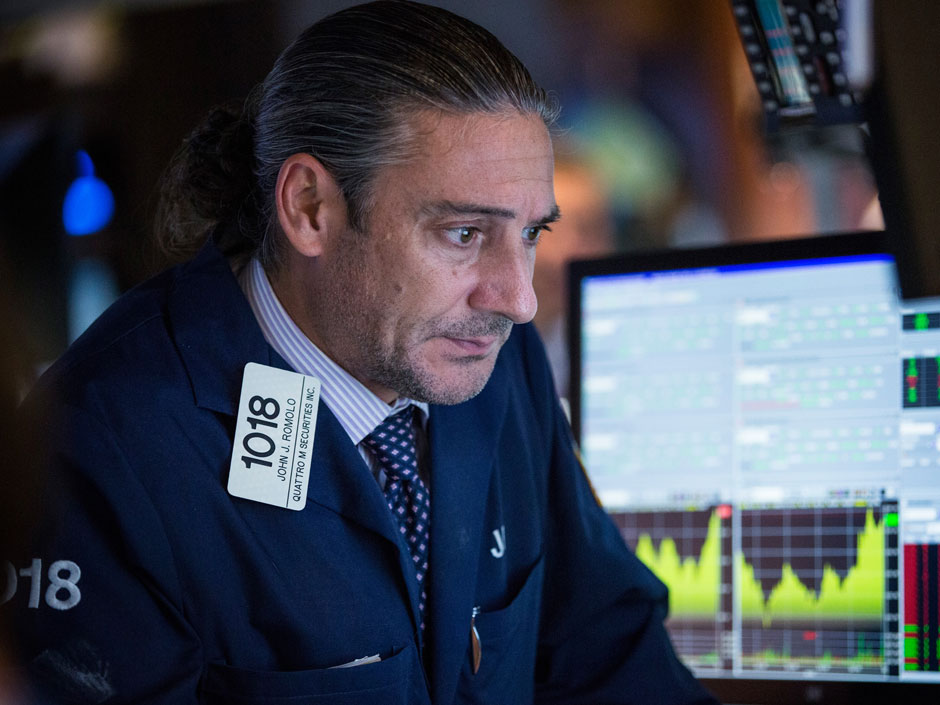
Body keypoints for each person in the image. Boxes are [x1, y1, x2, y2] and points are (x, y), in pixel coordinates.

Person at [8, 2, 720, 703]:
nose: (518, 299)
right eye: (465, 233)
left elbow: (606, 644)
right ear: (311, 208)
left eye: (532, 234)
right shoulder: (99, 446)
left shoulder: (494, 355)